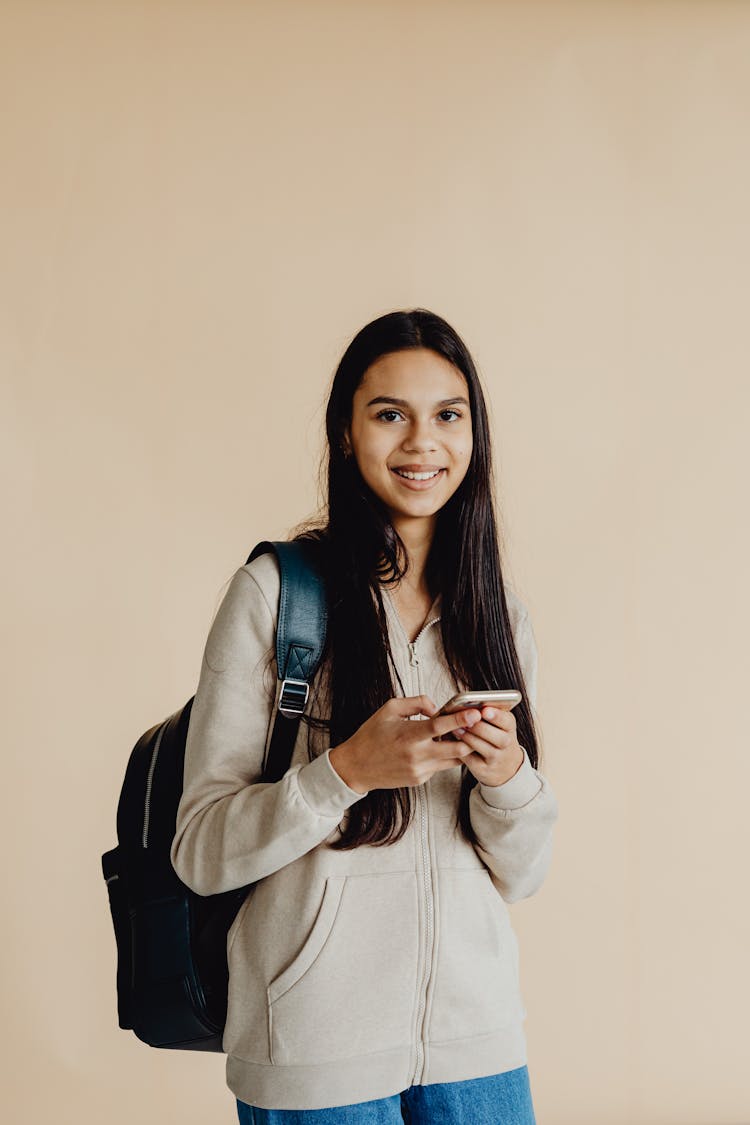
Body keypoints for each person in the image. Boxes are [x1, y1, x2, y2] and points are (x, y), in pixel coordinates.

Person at [170, 308, 559, 1124]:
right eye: (390, 414)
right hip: (317, 1053)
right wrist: (345, 771)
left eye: (448, 415)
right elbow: (200, 850)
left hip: (478, 1046)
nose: (423, 443)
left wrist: (507, 777)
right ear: (347, 433)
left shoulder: (497, 613)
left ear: (474, 435)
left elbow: (521, 873)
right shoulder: (276, 596)